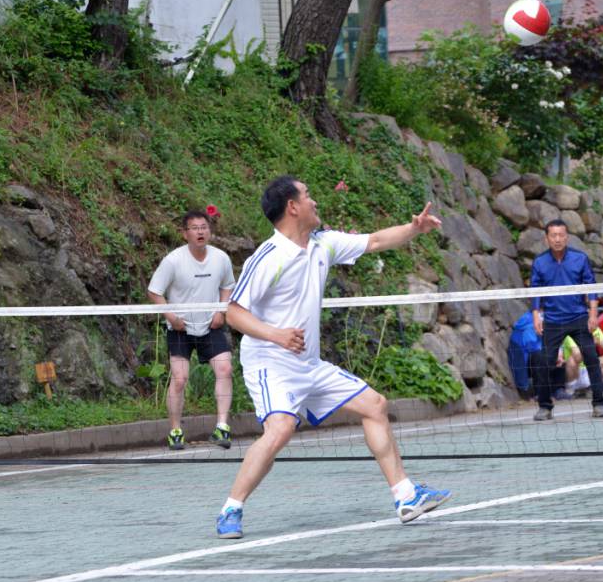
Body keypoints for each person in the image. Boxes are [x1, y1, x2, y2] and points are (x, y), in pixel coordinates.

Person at [215, 176, 450, 539]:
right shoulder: (267, 257)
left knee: (374, 404)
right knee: (279, 431)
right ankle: (231, 508)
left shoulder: (323, 245)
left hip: (309, 363)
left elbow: (374, 240)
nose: (314, 202)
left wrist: (413, 228)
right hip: (270, 362)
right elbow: (233, 313)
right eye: (307, 196)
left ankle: (405, 497)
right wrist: (277, 334)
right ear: (292, 207)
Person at [147, 209, 236, 450]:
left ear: (209, 231)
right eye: (195, 228)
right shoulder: (173, 260)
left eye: (204, 227)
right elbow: (155, 291)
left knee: (225, 368)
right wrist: (171, 316)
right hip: (180, 327)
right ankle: (175, 431)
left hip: (211, 325)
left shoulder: (221, 258)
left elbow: (228, 286)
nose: (200, 232)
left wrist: (221, 310)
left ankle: (222, 427)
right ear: (185, 233)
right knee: (179, 379)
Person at [529, 219, 603, 420]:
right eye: (553, 235)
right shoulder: (539, 262)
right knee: (544, 362)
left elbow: (591, 289)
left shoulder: (580, 258)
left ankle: (599, 404)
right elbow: (535, 292)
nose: (557, 239)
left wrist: (593, 315)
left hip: (579, 317)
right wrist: (536, 316)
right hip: (553, 320)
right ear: (547, 238)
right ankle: (545, 407)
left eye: (561, 235)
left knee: (591, 357)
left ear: (567, 237)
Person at [560, 326, 603, 399]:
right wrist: (591, 342)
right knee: (572, 360)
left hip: (589, 368)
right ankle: (571, 390)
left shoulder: (594, 328)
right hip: (576, 372)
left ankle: (593, 389)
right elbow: (578, 356)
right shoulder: (570, 330)